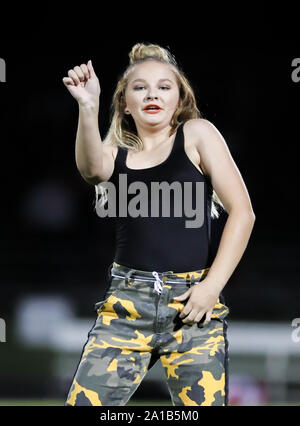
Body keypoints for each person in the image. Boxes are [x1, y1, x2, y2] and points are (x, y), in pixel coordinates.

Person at [62, 43, 256, 406]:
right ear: (124, 102)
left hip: (193, 304)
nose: (152, 93)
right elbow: (90, 170)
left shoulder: (198, 134)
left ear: (179, 98)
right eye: (140, 87)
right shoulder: (114, 155)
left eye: (164, 86)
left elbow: (243, 214)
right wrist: (87, 107)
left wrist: (211, 287)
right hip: (126, 305)